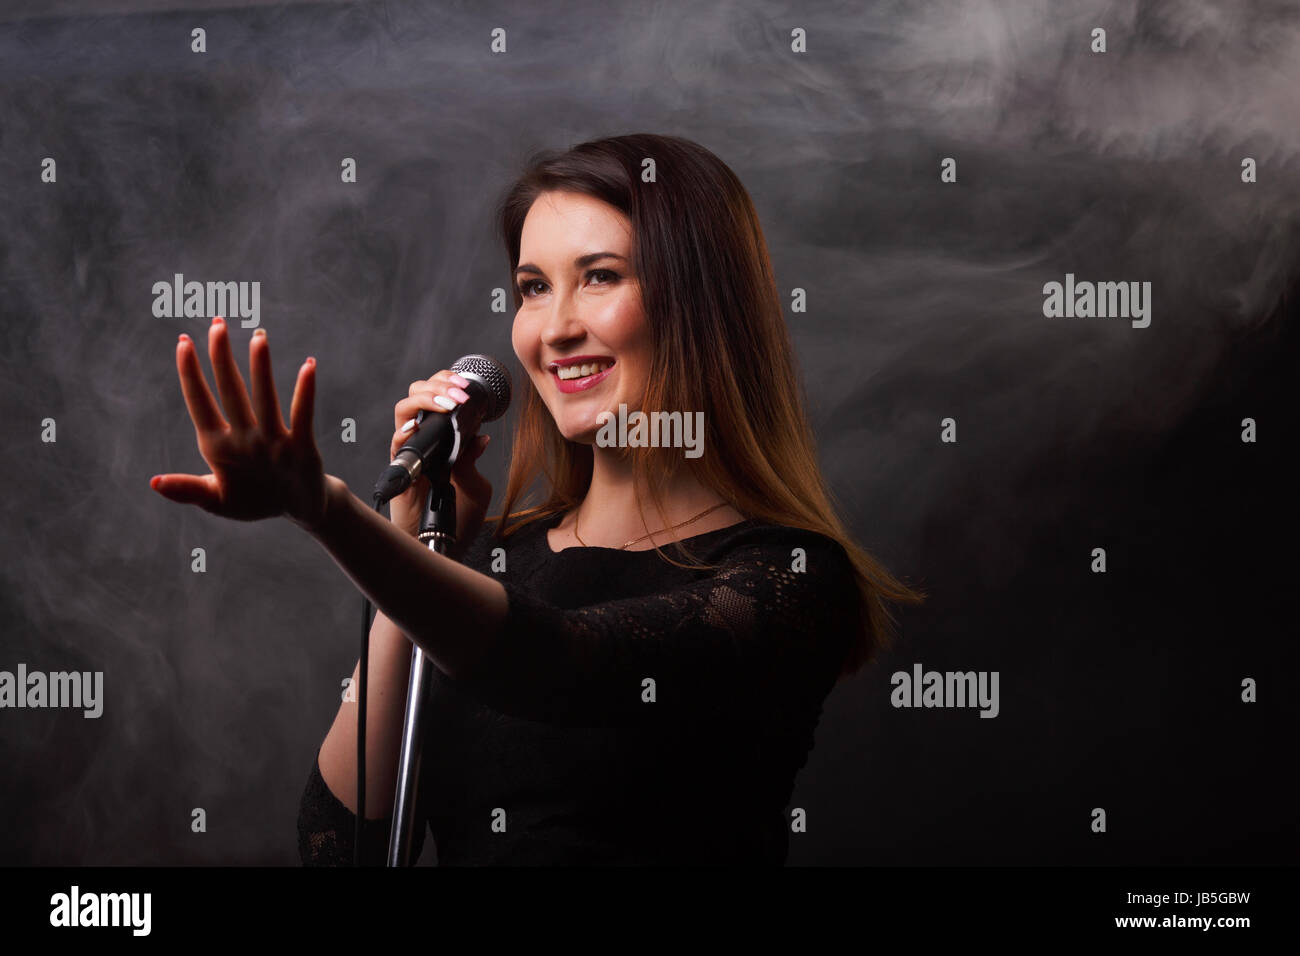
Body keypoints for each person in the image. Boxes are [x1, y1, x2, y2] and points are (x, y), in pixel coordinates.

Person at [150, 133, 924, 866]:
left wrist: (328, 513)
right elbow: (338, 845)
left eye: (600, 276)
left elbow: (559, 664)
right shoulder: (486, 566)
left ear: (701, 302)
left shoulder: (787, 579)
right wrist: (418, 536)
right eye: (532, 288)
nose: (553, 329)